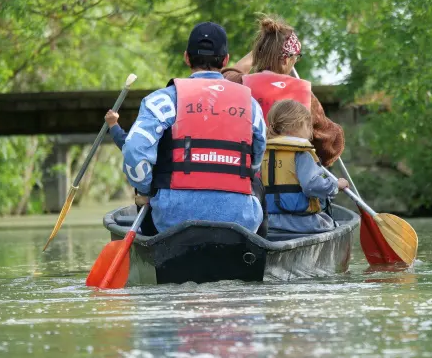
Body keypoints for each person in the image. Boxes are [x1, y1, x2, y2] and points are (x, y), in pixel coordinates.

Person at [120, 22, 267, 234]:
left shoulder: (162, 100)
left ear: (187, 57)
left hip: (171, 220)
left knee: (147, 179)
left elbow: (134, 150)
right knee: (257, 184)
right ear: (225, 60)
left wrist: (145, 189)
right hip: (241, 220)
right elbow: (257, 157)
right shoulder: (250, 104)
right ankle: (260, 252)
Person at [223, 17, 345, 166]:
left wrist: (259, 51)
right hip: (287, 181)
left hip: (248, 179)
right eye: (296, 57)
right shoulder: (305, 95)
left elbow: (228, 73)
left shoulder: (241, 84)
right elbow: (330, 146)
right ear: (286, 60)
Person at [261, 99, 348, 234]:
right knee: (331, 223)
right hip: (302, 223)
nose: (311, 131)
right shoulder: (301, 153)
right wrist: (336, 185)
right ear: (301, 124)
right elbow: (312, 186)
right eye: (309, 126)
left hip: (269, 222)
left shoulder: (264, 151)